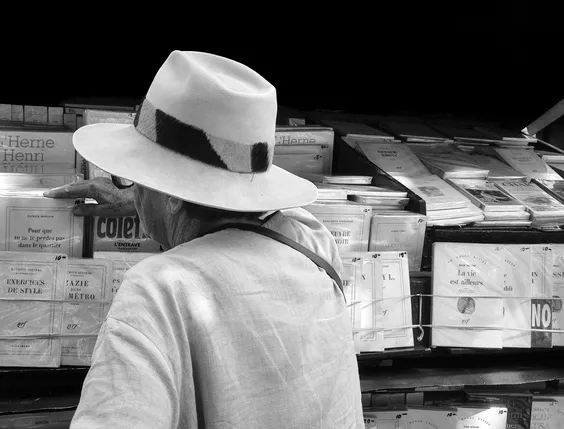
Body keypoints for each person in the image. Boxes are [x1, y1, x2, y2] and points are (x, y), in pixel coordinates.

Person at [45, 51, 363, 429]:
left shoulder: (160, 290)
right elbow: (266, 217)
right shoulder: (313, 245)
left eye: (136, 178)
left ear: (174, 192)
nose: (137, 191)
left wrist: (159, 200)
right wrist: (154, 199)